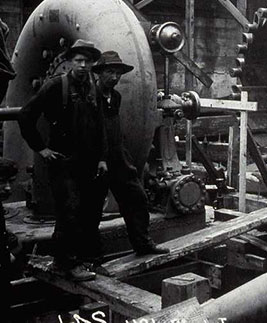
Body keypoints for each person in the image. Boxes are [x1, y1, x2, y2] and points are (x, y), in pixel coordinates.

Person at [18, 40, 106, 281]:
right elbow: (26, 116)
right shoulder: (55, 86)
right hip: (63, 163)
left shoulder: (93, 88)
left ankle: (85, 260)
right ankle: (66, 263)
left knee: (89, 212)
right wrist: (41, 149)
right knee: (69, 211)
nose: (83, 65)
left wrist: (101, 158)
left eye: (87, 61)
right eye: (78, 60)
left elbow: (101, 127)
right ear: (70, 61)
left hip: (88, 162)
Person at [88, 51, 168, 259]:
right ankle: (93, 258)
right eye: (110, 72)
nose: (115, 77)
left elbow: (114, 128)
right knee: (92, 209)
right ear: (99, 73)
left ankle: (142, 243)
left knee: (137, 199)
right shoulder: (90, 96)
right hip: (96, 160)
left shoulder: (115, 97)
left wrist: (124, 158)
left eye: (118, 73)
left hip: (118, 158)